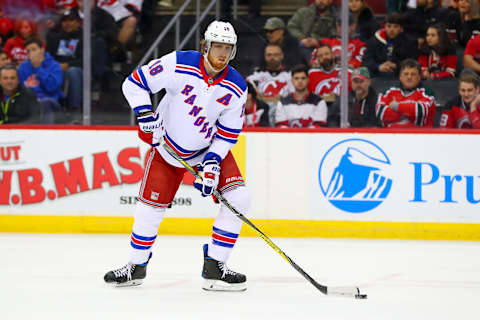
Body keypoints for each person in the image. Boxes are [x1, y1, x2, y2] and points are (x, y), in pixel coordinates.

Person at [104, 21, 249, 292]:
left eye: (227, 49)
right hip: (167, 150)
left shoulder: (237, 86)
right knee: (148, 210)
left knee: (239, 197)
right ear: (205, 46)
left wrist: (213, 162)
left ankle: (215, 266)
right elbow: (134, 83)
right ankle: (135, 266)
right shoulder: (178, 63)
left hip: (206, 150)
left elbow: (228, 133)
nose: (222, 54)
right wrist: (145, 113)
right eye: (217, 47)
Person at [376, 59, 436, 128]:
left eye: (413, 74)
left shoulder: (427, 93)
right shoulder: (389, 91)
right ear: (400, 77)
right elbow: (381, 113)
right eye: (406, 74)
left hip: (420, 136)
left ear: (419, 77)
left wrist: (395, 106)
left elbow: (420, 111)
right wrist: (409, 113)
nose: (409, 77)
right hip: (391, 135)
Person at [18, 38, 64, 124]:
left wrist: (38, 68)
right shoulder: (23, 67)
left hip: (49, 100)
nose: (31, 53)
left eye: (34, 49)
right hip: (28, 101)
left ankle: (48, 132)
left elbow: (51, 88)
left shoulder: (54, 66)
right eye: (28, 51)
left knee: (45, 102)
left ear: (42, 49)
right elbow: (19, 88)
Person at [247, 44, 294, 126]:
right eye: (269, 55)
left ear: (282, 56)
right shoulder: (254, 75)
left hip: (286, 116)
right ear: (265, 56)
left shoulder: (291, 75)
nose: (272, 58)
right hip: (262, 118)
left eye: (275, 55)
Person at [46, 9, 83, 110]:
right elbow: (48, 56)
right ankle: (55, 106)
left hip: (78, 70)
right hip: (57, 67)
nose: (67, 24)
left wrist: (68, 65)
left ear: (77, 22)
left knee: (72, 72)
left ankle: (74, 108)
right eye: (64, 21)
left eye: (71, 20)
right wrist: (56, 66)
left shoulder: (84, 37)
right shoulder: (54, 37)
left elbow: (87, 60)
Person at [363, 13, 418, 78]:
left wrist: (396, 65)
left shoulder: (410, 42)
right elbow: (367, 59)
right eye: (389, 26)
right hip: (377, 73)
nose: (391, 30)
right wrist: (378, 67)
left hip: (400, 74)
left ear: (401, 28)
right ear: (384, 27)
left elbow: (412, 61)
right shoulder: (374, 40)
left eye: (395, 26)